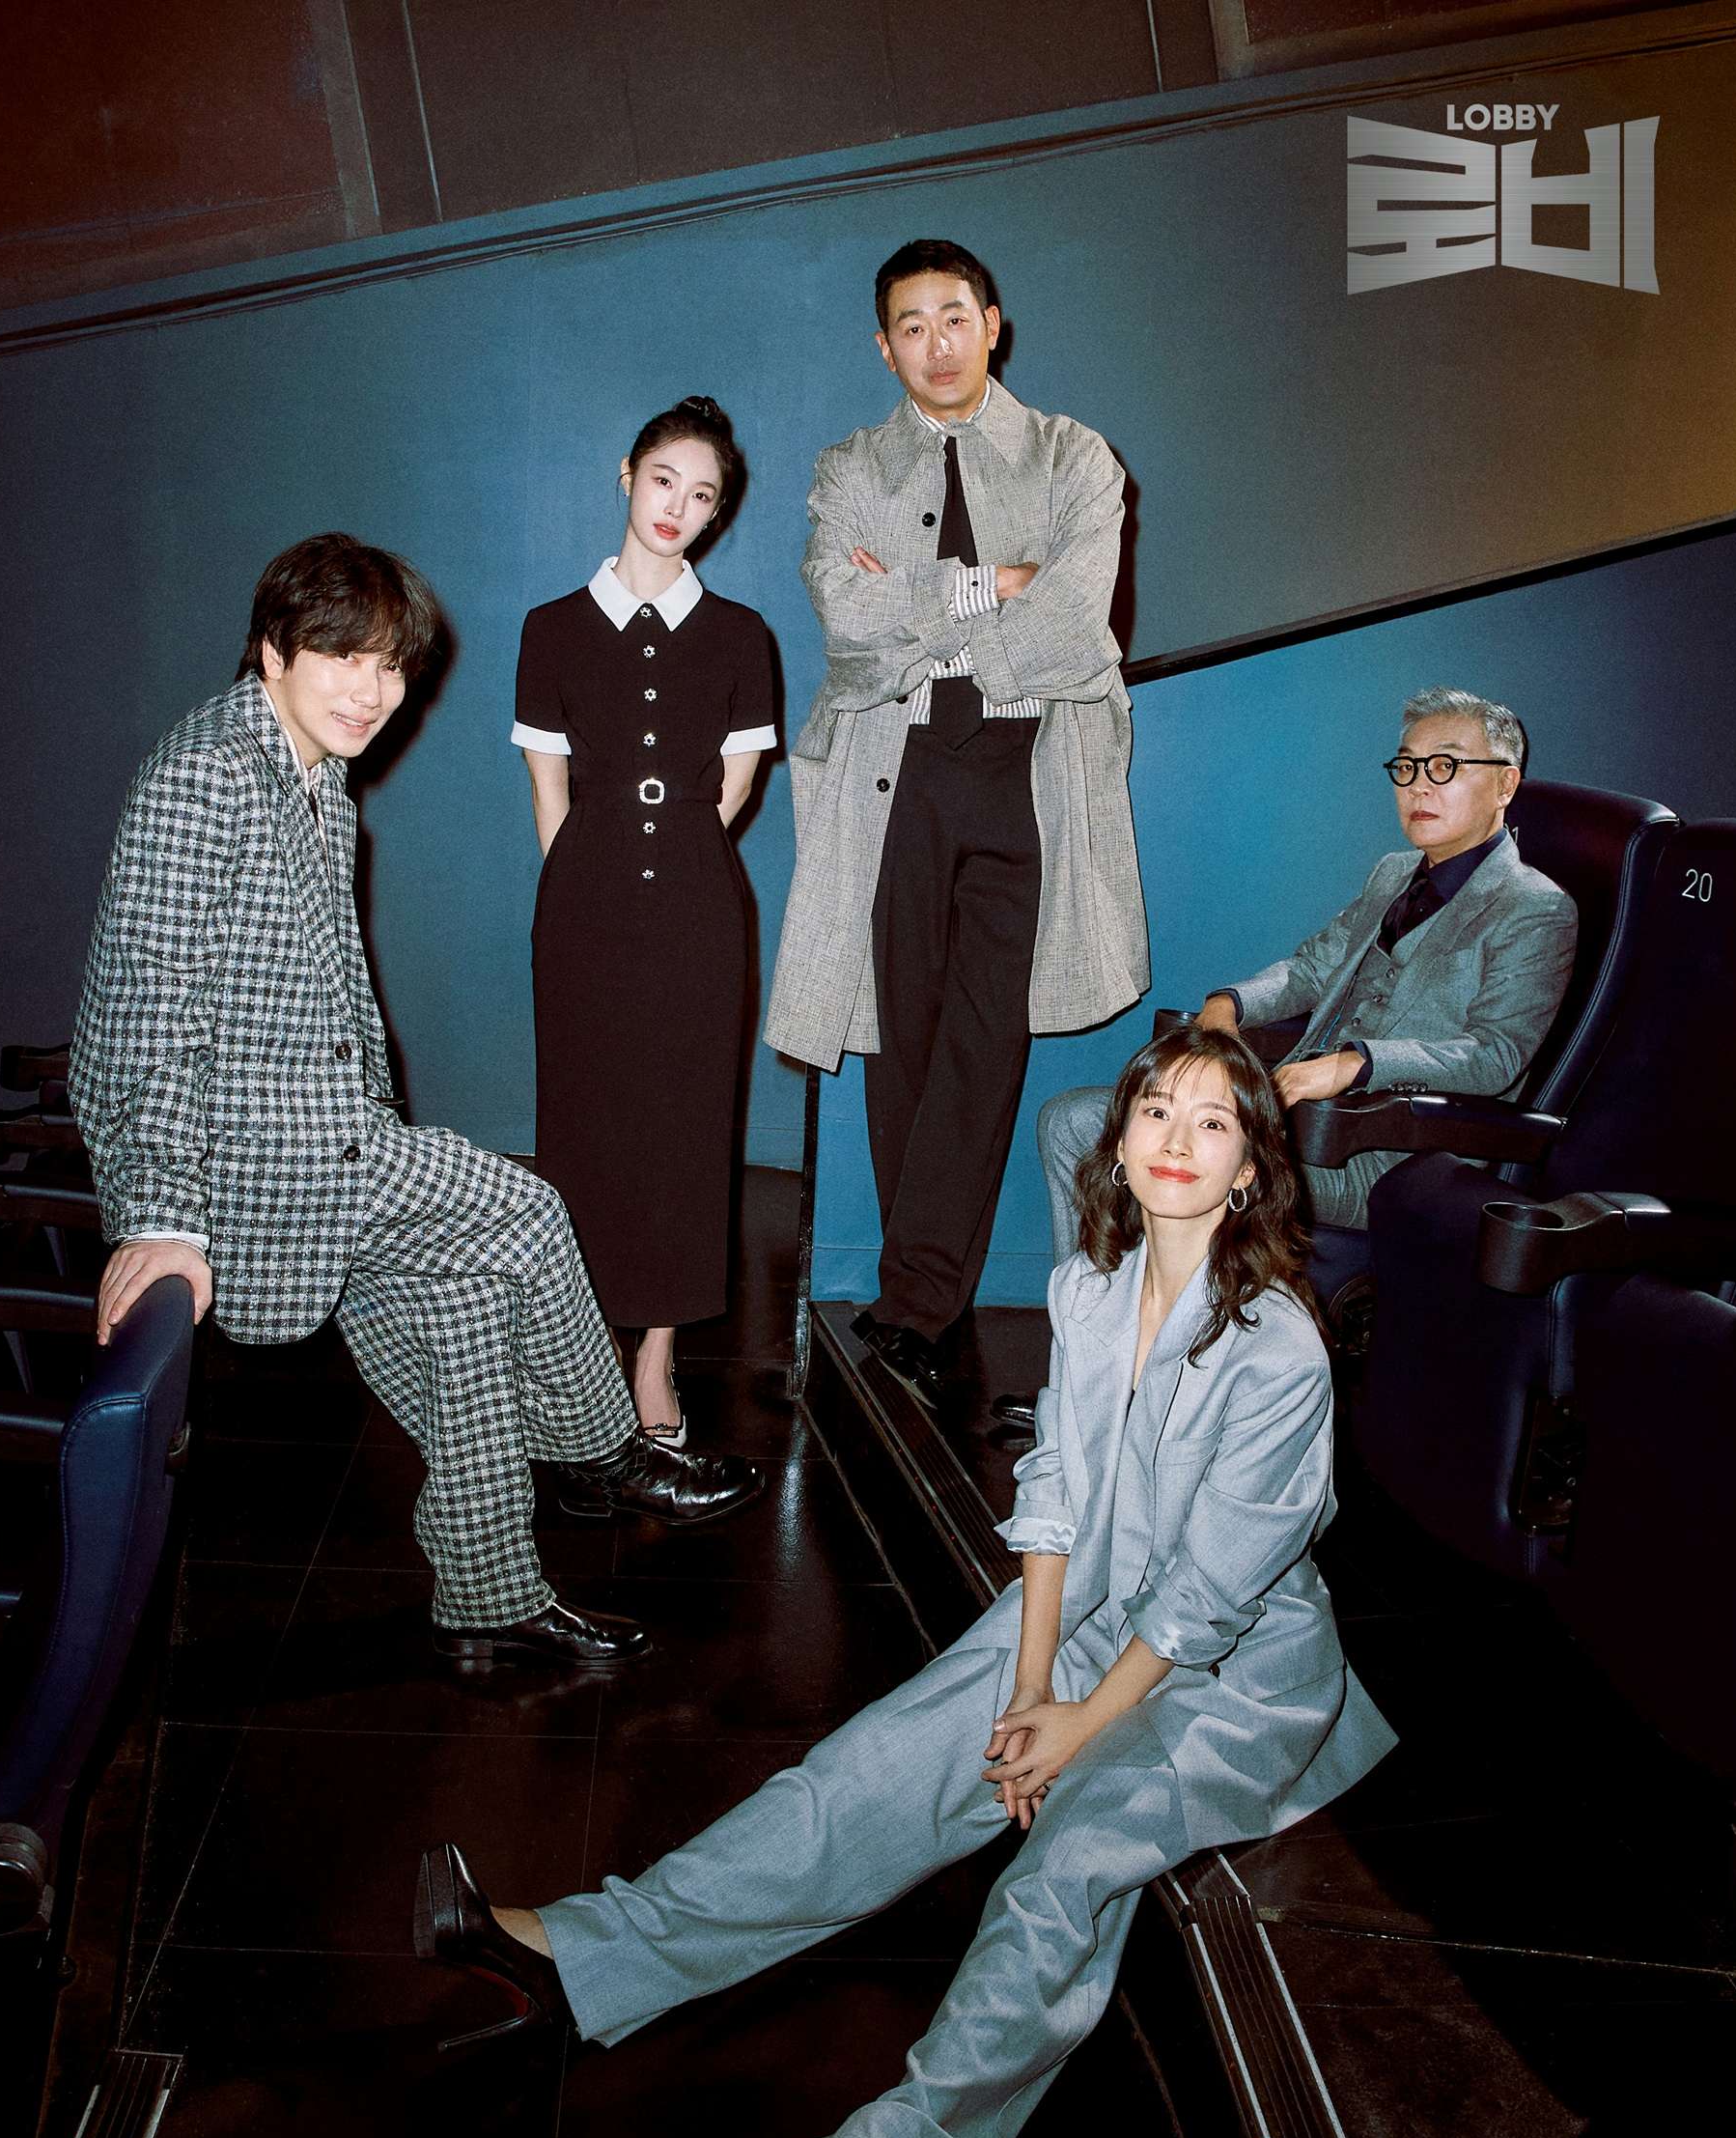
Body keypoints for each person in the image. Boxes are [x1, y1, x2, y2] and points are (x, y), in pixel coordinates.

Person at [414, 1026, 1395, 2138]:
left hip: (1232, 1681)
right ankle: (585, 1953)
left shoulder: (1279, 1349)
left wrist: (1077, 1726)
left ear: (1251, 1169)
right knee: (869, 1771)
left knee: (1065, 1871)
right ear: (1119, 1137)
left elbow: (1209, 1596)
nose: (1176, 1138)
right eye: (1158, 1107)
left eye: (1214, 1123)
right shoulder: (1091, 1290)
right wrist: (1030, 1685)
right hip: (1092, 1617)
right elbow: (1054, 1496)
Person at [69, 532, 763, 1679]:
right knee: (529, 1212)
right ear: (273, 649)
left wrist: (380, 1121)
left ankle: (491, 1599)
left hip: (335, 1138)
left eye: (389, 665)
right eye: (342, 656)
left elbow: (340, 990)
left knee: (468, 1321)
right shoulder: (207, 775)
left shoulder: (315, 779)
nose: (371, 690)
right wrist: (158, 1215)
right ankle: (609, 1449)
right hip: (255, 1162)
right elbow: (144, 1010)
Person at [763, 238, 1146, 1393]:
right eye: (909, 326)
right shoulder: (848, 468)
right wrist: (994, 584)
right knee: (903, 1038)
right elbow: (846, 622)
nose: (934, 344)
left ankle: (917, 1299)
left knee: (985, 1039)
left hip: (1026, 774)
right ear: (883, 349)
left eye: (952, 318)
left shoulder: (1073, 456)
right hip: (895, 773)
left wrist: (922, 611)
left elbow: (1076, 625)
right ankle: (916, 1290)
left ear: (992, 324)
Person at [1034, 683, 1579, 1266]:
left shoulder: (1535, 908)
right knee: (1071, 1121)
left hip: (1385, 1157)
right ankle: (1096, 1309)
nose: (1419, 785)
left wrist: (1357, 1063)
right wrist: (1230, 1004)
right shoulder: (1393, 873)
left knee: (1183, 1160)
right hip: (1289, 1123)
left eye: (1445, 766)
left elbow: (1494, 1055)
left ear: (1505, 784)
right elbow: (1311, 969)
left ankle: (1166, 1312)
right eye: (1407, 767)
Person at [513, 398, 775, 1447]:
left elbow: (733, 791)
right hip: (582, 914)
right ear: (627, 474)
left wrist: (670, 879)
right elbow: (550, 795)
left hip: (701, 920)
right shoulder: (550, 629)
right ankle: (575, 1353)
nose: (678, 507)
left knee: (684, 1132)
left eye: (702, 496)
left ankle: (655, 1356)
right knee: (582, 1129)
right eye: (665, 480)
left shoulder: (741, 637)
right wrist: (595, 888)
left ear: (716, 514)